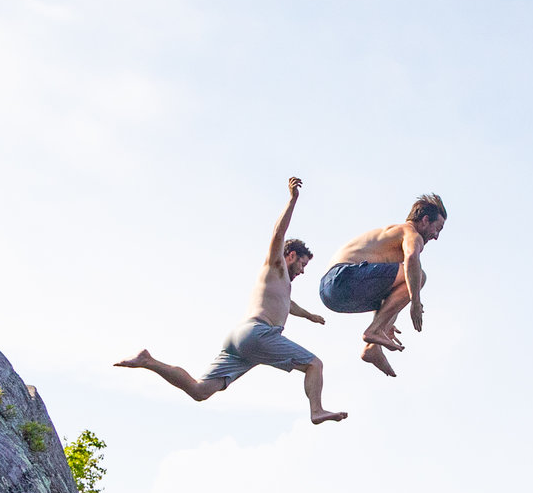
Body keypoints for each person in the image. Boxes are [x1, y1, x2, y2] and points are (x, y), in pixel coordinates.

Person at [117, 176, 346, 424]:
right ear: (290, 256)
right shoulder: (276, 265)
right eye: (302, 263)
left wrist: (309, 316)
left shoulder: (280, 284)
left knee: (200, 391)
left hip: (241, 340)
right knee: (314, 364)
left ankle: (147, 361)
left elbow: (288, 304)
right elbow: (278, 234)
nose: (302, 271)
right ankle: (317, 410)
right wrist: (292, 200)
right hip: (260, 334)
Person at [319, 193, 446, 376]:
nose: (436, 236)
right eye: (437, 229)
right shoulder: (410, 233)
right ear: (425, 220)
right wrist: (415, 304)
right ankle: (375, 330)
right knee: (418, 277)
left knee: (401, 286)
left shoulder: (390, 239)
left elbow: (381, 286)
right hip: (343, 277)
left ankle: (373, 347)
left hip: (331, 293)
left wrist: (387, 317)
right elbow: (411, 259)